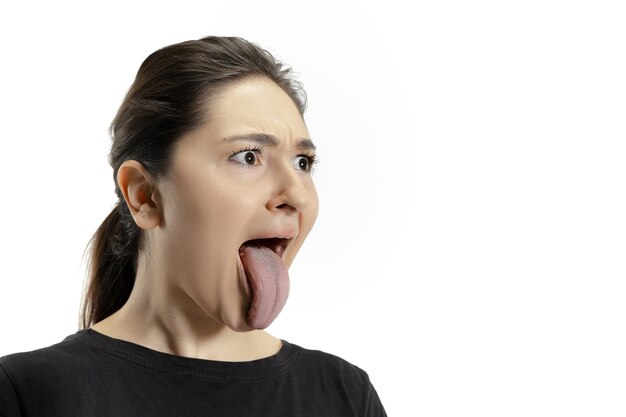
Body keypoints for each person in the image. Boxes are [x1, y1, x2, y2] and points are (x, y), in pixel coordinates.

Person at [0, 36, 387, 416]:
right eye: (248, 156)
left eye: (303, 162)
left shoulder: (345, 396)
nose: (298, 195)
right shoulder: (28, 393)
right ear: (144, 195)